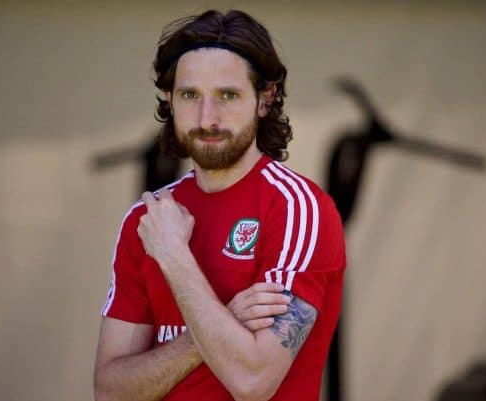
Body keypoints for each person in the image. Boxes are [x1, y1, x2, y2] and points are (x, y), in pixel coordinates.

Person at [94, 9, 346, 401]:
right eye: (190, 95)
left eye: (227, 95)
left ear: (265, 99)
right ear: (169, 100)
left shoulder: (298, 209)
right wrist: (226, 320)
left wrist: (174, 254)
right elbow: (111, 392)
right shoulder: (148, 219)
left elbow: (252, 382)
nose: (207, 118)